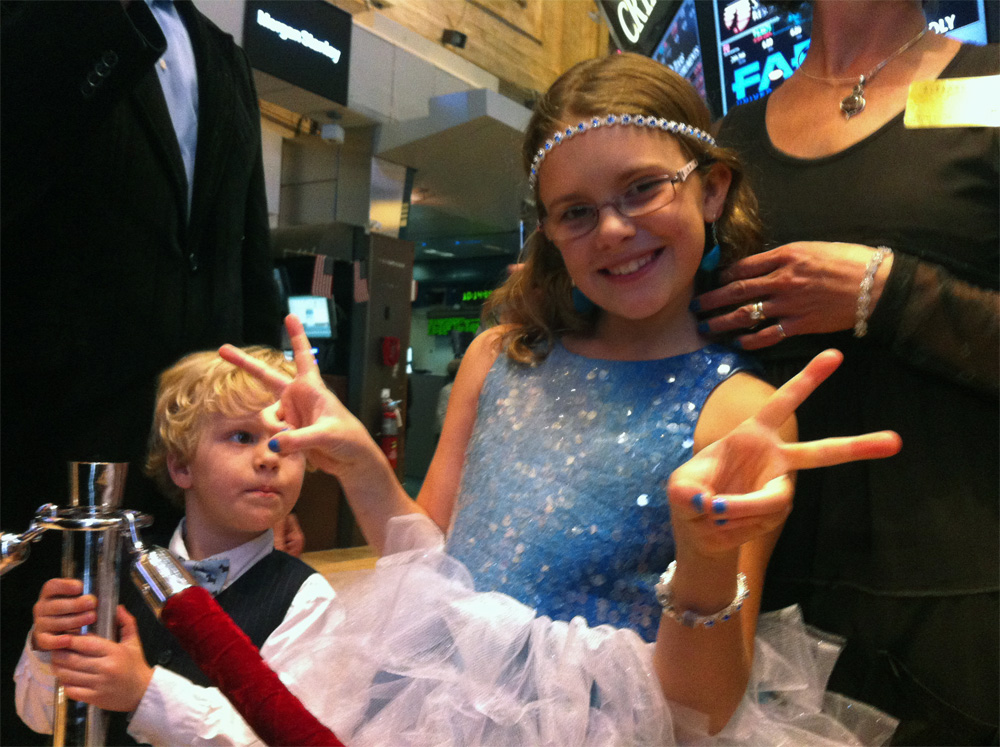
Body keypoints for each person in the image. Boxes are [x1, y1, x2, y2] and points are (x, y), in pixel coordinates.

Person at [221, 52, 902, 743]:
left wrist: (703, 556)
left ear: (712, 189)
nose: (611, 229)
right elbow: (428, 569)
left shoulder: (741, 412)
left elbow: (705, 708)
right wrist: (362, 465)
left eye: (642, 188)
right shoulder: (499, 357)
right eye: (576, 211)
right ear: (547, 229)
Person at [694, 2, 999, 742]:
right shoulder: (723, 142)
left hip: (965, 601)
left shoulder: (992, 86)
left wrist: (889, 291)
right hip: (766, 596)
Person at [0, 3, 283, 741]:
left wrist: (272, 437)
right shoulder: (42, 20)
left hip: (189, 469)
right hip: (41, 458)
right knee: (33, 696)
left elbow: (247, 257)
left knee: (169, 688)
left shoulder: (225, 58)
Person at [13, 347, 338, 746]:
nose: (270, 457)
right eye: (242, 436)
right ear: (182, 466)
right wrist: (47, 650)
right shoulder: (109, 570)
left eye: (288, 441)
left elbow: (285, 738)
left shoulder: (309, 601)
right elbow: (38, 716)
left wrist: (144, 693)